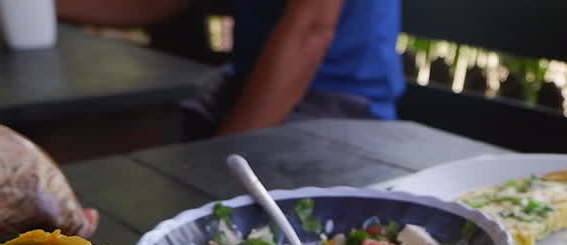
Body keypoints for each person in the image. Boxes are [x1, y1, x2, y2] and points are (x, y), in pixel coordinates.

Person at [56, 0, 404, 136]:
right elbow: (160, 5)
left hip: (341, 108)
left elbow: (311, 32)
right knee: (91, 140)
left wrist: (225, 148)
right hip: (238, 88)